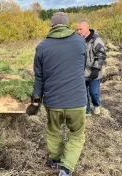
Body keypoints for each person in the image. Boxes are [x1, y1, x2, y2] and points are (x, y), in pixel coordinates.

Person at [26, 12, 87, 176]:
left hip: (53, 101)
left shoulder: (42, 46)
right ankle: (66, 169)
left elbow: (39, 78)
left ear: (52, 25)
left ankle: (55, 160)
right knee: (77, 135)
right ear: (67, 25)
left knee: (54, 131)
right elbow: (81, 68)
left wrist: (35, 102)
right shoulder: (81, 42)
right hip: (77, 100)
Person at [76, 20, 106, 115]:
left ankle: (97, 105)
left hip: (94, 73)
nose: (78, 31)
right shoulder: (77, 41)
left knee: (94, 93)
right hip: (81, 73)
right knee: (83, 94)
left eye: (80, 29)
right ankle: (87, 110)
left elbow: (101, 55)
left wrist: (96, 69)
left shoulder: (96, 40)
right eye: (77, 29)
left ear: (87, 28)